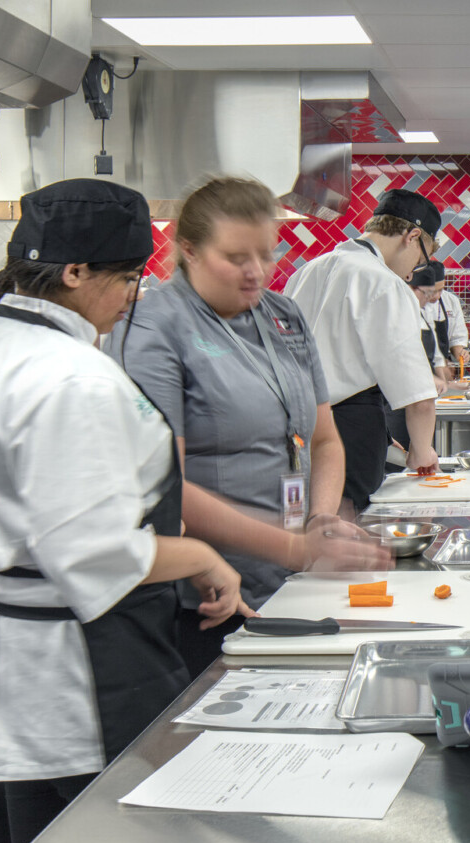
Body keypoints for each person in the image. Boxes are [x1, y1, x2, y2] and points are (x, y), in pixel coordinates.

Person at [0, 179, 248, 843]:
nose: (131, 295)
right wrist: (206, 559)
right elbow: (100, 555)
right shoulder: (70, 376)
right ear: (75, 274)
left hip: (15, 649)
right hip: (76, 662)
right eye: (127, 277)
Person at [112, 176, 387, 673]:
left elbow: (323, 440)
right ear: (189, 251)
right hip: (208, 592)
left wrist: (321, 521)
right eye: (236, 257)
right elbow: (162, 484)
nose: (256, 272)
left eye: (267, 254)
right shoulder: (153, 328)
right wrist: (294, 547)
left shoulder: (284, 316)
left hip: (290, 581)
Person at [285, 188, 444, 511]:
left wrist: (385, 439)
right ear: (411, 236)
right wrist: (422, 451)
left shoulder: (309, 270)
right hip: (348, 438)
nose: (413, 270)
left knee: (306, 531)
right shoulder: (383, 282)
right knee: (347, 536)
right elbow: (419, 399)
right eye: (421, 257)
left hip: (295, 432)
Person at [387, 262, 453, 453]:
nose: (430, 299)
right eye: (427, 294)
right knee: (397, 468)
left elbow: (432, 358)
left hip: (415, 406)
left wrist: (440, 378)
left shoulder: (420, 314)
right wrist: (425, 377)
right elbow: (394, 360)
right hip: (396, 407)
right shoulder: (396, 315)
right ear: (410, 287)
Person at [423, 264, 470, 375]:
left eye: (441, 290)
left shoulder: (451, 300)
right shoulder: (414, 301)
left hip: (443, 369)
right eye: (434, 291)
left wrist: (460, 353)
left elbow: (456, 337)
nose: (438, 296)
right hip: (421, 368)